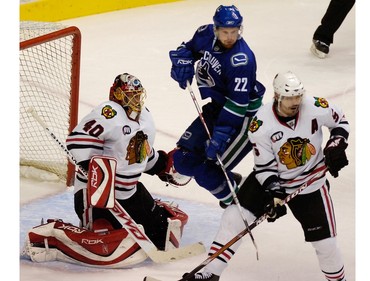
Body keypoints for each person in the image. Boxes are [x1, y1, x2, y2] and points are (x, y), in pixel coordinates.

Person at [184, 71, 349, 281]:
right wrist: (274, 194)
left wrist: (336, 144)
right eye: (289, 98)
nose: (295, 102)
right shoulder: (261, 124)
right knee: (234, 217)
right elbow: (265, 168)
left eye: (298, 96)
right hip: (272, 179)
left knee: (326, 244)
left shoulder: (316, 106)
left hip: (310, 184)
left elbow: (340, 121)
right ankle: (210, 272)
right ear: (277, 97)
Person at [65, 73, 190, 252]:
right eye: (129, 95)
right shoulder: (108, 113)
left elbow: (139, 154)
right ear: (116, 94)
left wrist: (161, 166)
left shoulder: (146, 117)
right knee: (105, 235)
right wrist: (88, 165)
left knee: (161, 230)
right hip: (97, 194)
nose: (134, 100)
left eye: (137, 95)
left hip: (129, 193)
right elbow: (78, 140)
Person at [168, 5, 265, 206]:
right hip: (218, 107)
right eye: (225, 32)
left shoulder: (242, 60)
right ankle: (227, 182)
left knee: (207, 171)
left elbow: (238, 104)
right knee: (182, 159)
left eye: (234, 31)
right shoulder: (204, 34)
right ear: (215, 29)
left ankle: (239, 205)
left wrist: (221, 135)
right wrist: (182, 64)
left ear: (240, 29)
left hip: (244, 119)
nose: (230, 37)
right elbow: (188, 49)